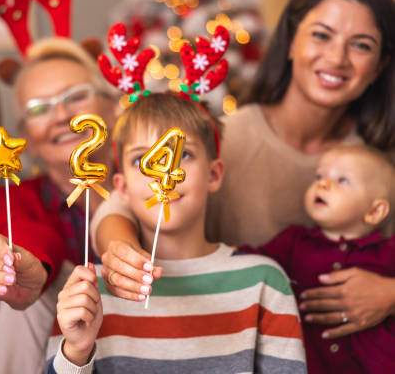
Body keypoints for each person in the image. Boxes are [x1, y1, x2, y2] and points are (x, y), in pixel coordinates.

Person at [91, 0, 395, 342]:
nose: (337, 57)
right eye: (321, 35)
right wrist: (118, 245)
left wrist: (390, 294)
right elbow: (124, 201)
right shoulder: (226, 136)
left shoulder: (380, 162)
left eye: (361, 45)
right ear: (290, 42)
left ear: (380, 65)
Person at [47, 93, 306, 373]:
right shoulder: (87, 289)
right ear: (121, 188)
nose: (162, 173)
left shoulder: (263, 282)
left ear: (214, 174)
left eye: (183, 154)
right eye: (140, 160)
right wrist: (76, 351)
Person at [0, 38, 117, 373]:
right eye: (39, 108)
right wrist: (29, 267)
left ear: (114, 106)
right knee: (20, 306)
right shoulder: (15, 201)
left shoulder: (153, 184)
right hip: (66, 343)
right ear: (26, 139)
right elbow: (22, 236)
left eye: (76, 96)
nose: (62, 116)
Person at [241, 145, 395, 373]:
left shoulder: (389, 251)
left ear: (374, 212)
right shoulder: (293, 242)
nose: (322, 184)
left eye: (342, 180)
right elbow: (253, 264)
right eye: (319, 176)